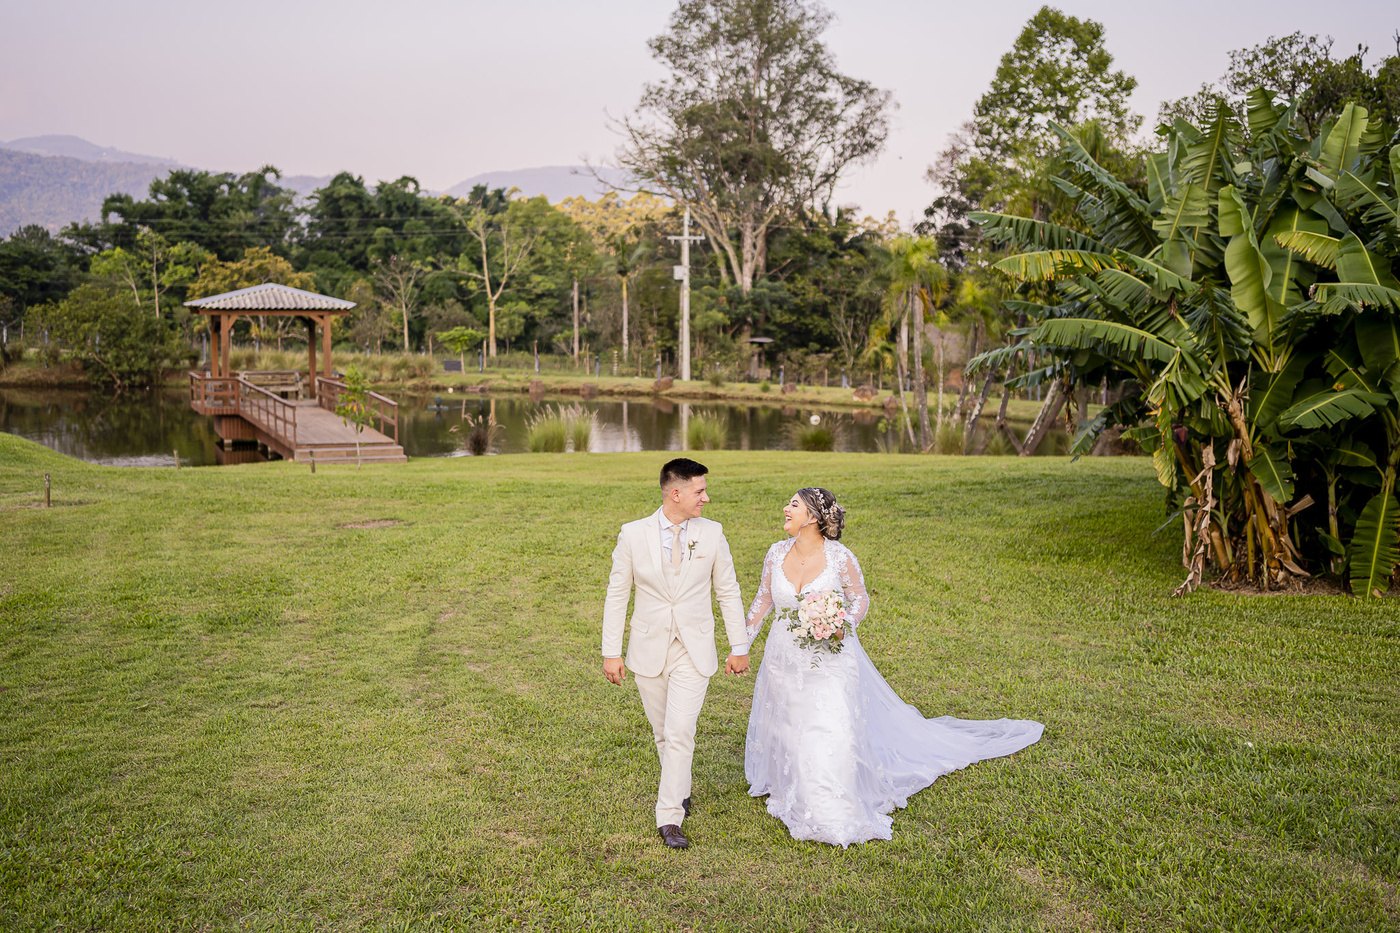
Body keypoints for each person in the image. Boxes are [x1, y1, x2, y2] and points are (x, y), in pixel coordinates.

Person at [743, 487, 1044, 847]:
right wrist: (741, 646)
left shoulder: (840, 557)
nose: (785, 508)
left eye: (793, 504)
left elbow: (859, 598)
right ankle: (793, 781)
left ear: (812, 517)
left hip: (832, 658)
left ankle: (831, 806)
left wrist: (841, 624)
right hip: (783, 659)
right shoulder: (776, 553)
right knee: (789, 722)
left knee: (828, 723)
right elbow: (763, 600)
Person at [601, 458, 751, 850]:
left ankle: (669, 817)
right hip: (648, 648)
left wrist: (739, 646)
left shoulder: (713, 533)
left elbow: (728, 591)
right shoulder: (632, 534)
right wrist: (611, 651)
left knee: (680, 730)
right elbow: (617, 594)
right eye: (700, 491)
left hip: (694, 649)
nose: (706, 498)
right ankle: (681, 789)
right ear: (676, 493)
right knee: (662, 732)